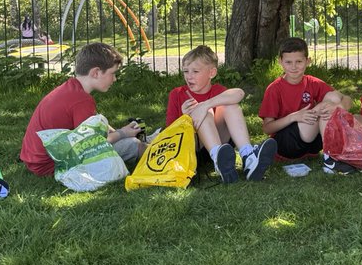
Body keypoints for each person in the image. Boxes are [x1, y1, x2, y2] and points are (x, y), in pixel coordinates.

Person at [21, 42, 146, 176]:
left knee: (123, 138)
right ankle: (156, 154)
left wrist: (119, 132)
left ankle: (149, 142)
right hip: (51, 164)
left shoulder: (71, 88)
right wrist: (122, 134)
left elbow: (95, 123)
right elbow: (92, 144)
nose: (114, 79)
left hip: (35, 160)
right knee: (132, 144)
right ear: (96, 72)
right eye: (113, 73)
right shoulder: (82, 100)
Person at [165, 44, 276, 183]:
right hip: (193, 149)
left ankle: (248, 157)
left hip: (222, 144)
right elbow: (170, 133)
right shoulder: (177, 94)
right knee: (206, 112)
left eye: (195, 71)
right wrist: (185, 117)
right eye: (186, 71)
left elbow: (239, 93)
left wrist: (204, 105)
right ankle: (219, 160)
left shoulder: (218, 90)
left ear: (212, 73)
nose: (189, 76)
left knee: (230, 106)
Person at [259, 37, 355, 174]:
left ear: (307, 61)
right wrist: (294, 117)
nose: (293, 67)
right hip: (286, 144)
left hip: (313, 143)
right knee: (323, 107)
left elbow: (348, 99)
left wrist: (338, 107)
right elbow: (267, 128)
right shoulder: (274, 89)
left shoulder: (312, 82)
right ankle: (331, 159)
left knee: (333, 98)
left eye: (298, 61)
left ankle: (331, 155)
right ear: (280, 62)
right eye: (288, 62)